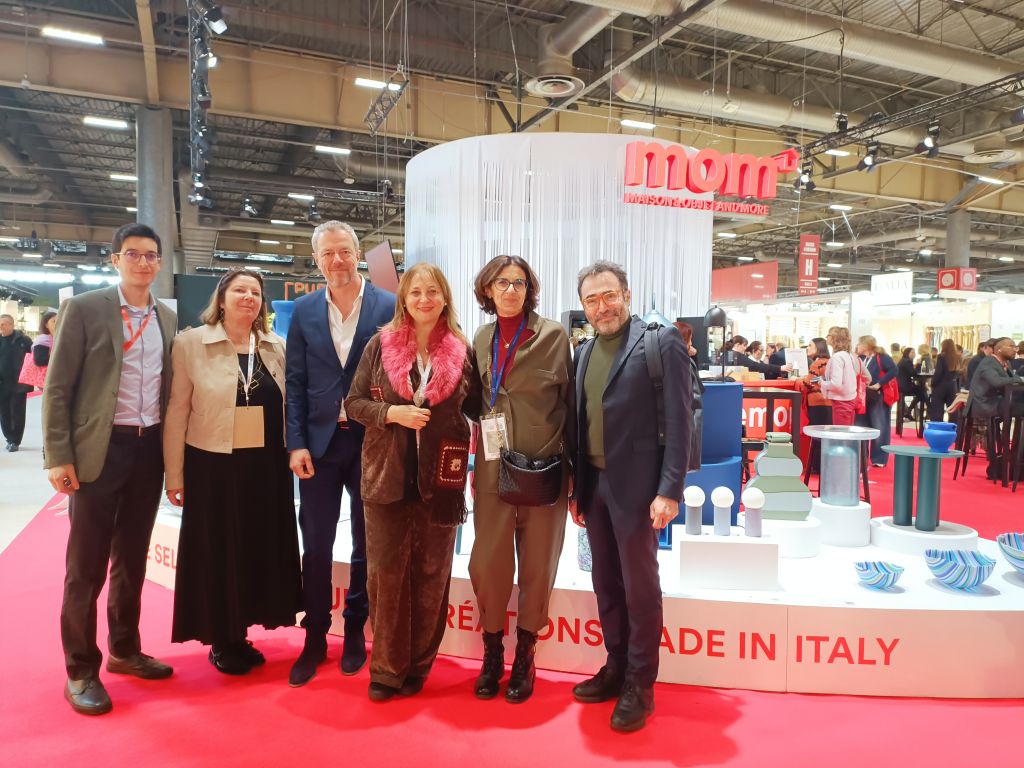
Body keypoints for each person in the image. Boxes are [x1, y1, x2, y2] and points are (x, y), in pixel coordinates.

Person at [43, 223, 177, 716]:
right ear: (115, 259)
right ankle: (80, 669)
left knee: (131, 558)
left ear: (160, 262)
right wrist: (58, 455)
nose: (143, 263)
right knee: (85, 566)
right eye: (133, 254)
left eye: (151, 255)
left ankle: (124, 648)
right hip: (98, 451)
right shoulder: (85, 309)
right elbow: (58, 387)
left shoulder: (167, 317)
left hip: (147, 451)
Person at [345, 263, 479, 701]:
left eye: (432, 291)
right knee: (385, 577)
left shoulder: (462, 350)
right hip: (385, 477)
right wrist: (391, 413)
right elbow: (354, 403)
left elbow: (479, 406)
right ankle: (386, 669)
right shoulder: (380, 345)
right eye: (416, 291)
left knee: (431, 576)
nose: (424, 299)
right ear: (403, 297)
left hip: (441, 481)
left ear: (445, 298)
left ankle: (419, 665)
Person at [570, 261, 691, 733]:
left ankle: (641, 683)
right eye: (592, 299)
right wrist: (578, 488)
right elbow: (581, 421)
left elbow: (681, 420)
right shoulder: (584, 351)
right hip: (595, 486)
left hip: (640, 490)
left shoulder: (660, 342)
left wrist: (669, 490)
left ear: (626, 294)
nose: (602, 306)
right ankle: (616, 665)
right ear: (583, 307)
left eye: (609, 295)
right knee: (605, 581)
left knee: (640, 587)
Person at [163, 269, 301, 675]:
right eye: (239, 290)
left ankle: (243, 631)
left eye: (255, 292)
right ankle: (223, 637)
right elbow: (176, 411)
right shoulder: (191, 343)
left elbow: (291, 404)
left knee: (257, 546)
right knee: (220, 549)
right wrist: (174, 475)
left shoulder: (275, 345)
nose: (248, 297)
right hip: (214, 465)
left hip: (266, 467)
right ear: (221, 298)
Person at [285, 220, 396, 687]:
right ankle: (314, 634)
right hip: (319, 445)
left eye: (345, 251)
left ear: (357, 253)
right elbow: (295, 382)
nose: (337, 260)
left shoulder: (389, 305)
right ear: (316, 260)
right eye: (328, 253)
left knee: (367, 541)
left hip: (372, 442)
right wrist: (296, 443)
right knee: (316, 543)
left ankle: (354, 628)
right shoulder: (304, 310)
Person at [467, 254, 573, 704]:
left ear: (530, 290)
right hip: (493, 469)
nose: (510, 290)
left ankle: (525, 655)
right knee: (488, 563)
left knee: (538, 563)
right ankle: (492, 652)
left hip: (543, 470)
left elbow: (570, 405)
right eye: (502, 283)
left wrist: (575, 476)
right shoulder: (480, 338)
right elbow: (474, 399)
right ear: (487, 290)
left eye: (519, 283)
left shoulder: (554, 336)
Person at [965, 337, 1024, 480]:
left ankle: (1015, 454)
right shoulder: (988, 362)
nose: (1015, 350)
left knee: (1020, 407)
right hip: (984, 404)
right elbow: (997, 382)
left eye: (1016, 347)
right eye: (1011, 346)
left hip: (998, 401)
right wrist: (1020, 379)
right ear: (999, 349)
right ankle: (1014, 455)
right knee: (1020, 408)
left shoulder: (1006, 363)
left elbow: (1010, 381)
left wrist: (1017, 379)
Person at [855, 335, 897, 468]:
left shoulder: (881, 357)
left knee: (880, 426)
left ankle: (879, 458)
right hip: (863, 396)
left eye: (859, 344)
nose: (857, 346)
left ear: (866, 345)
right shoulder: (861, 358)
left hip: (878, 395)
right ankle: (862, 456)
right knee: (861, 425)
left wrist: (879, 384)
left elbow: (894, 370)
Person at [819, 327, 869, 427]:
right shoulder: (848, 355)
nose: (826, 337)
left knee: (841, 432)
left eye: (829, 335)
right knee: (846, 431)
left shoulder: (838, 357)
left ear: (835, 338)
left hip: (842, 401)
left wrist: (822, 383)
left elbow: (836, 384)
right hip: (849, 399)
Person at [795, 338, 832, 473]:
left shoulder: (817, 364)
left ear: (818, 348)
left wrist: (799, 381)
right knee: (826, 435)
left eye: (810, 345)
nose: (808, 348)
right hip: (829, 402)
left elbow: (808, 383)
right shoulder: (830, 362)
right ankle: (823, 465)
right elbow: (819, 380)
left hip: (817, 403)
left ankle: (817, 465)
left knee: (817, 435)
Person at [0, 313, 33, 451]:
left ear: (11, 325)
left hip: (19, 383)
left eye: (3, 324)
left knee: (18, 412)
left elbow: (33, 359)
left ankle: (16, 440)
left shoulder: (24, 340)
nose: (1, 327)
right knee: (4, 413)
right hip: (2, 383)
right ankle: (9, 437)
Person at [928, 339, 961, 423]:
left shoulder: (941, 356)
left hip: (941, 386)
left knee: (937, 409)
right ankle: (953, 426)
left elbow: (938, 372)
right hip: (952, 385)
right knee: (952, 409)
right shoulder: (957, 357)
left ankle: (937, 426)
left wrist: (932, 383)